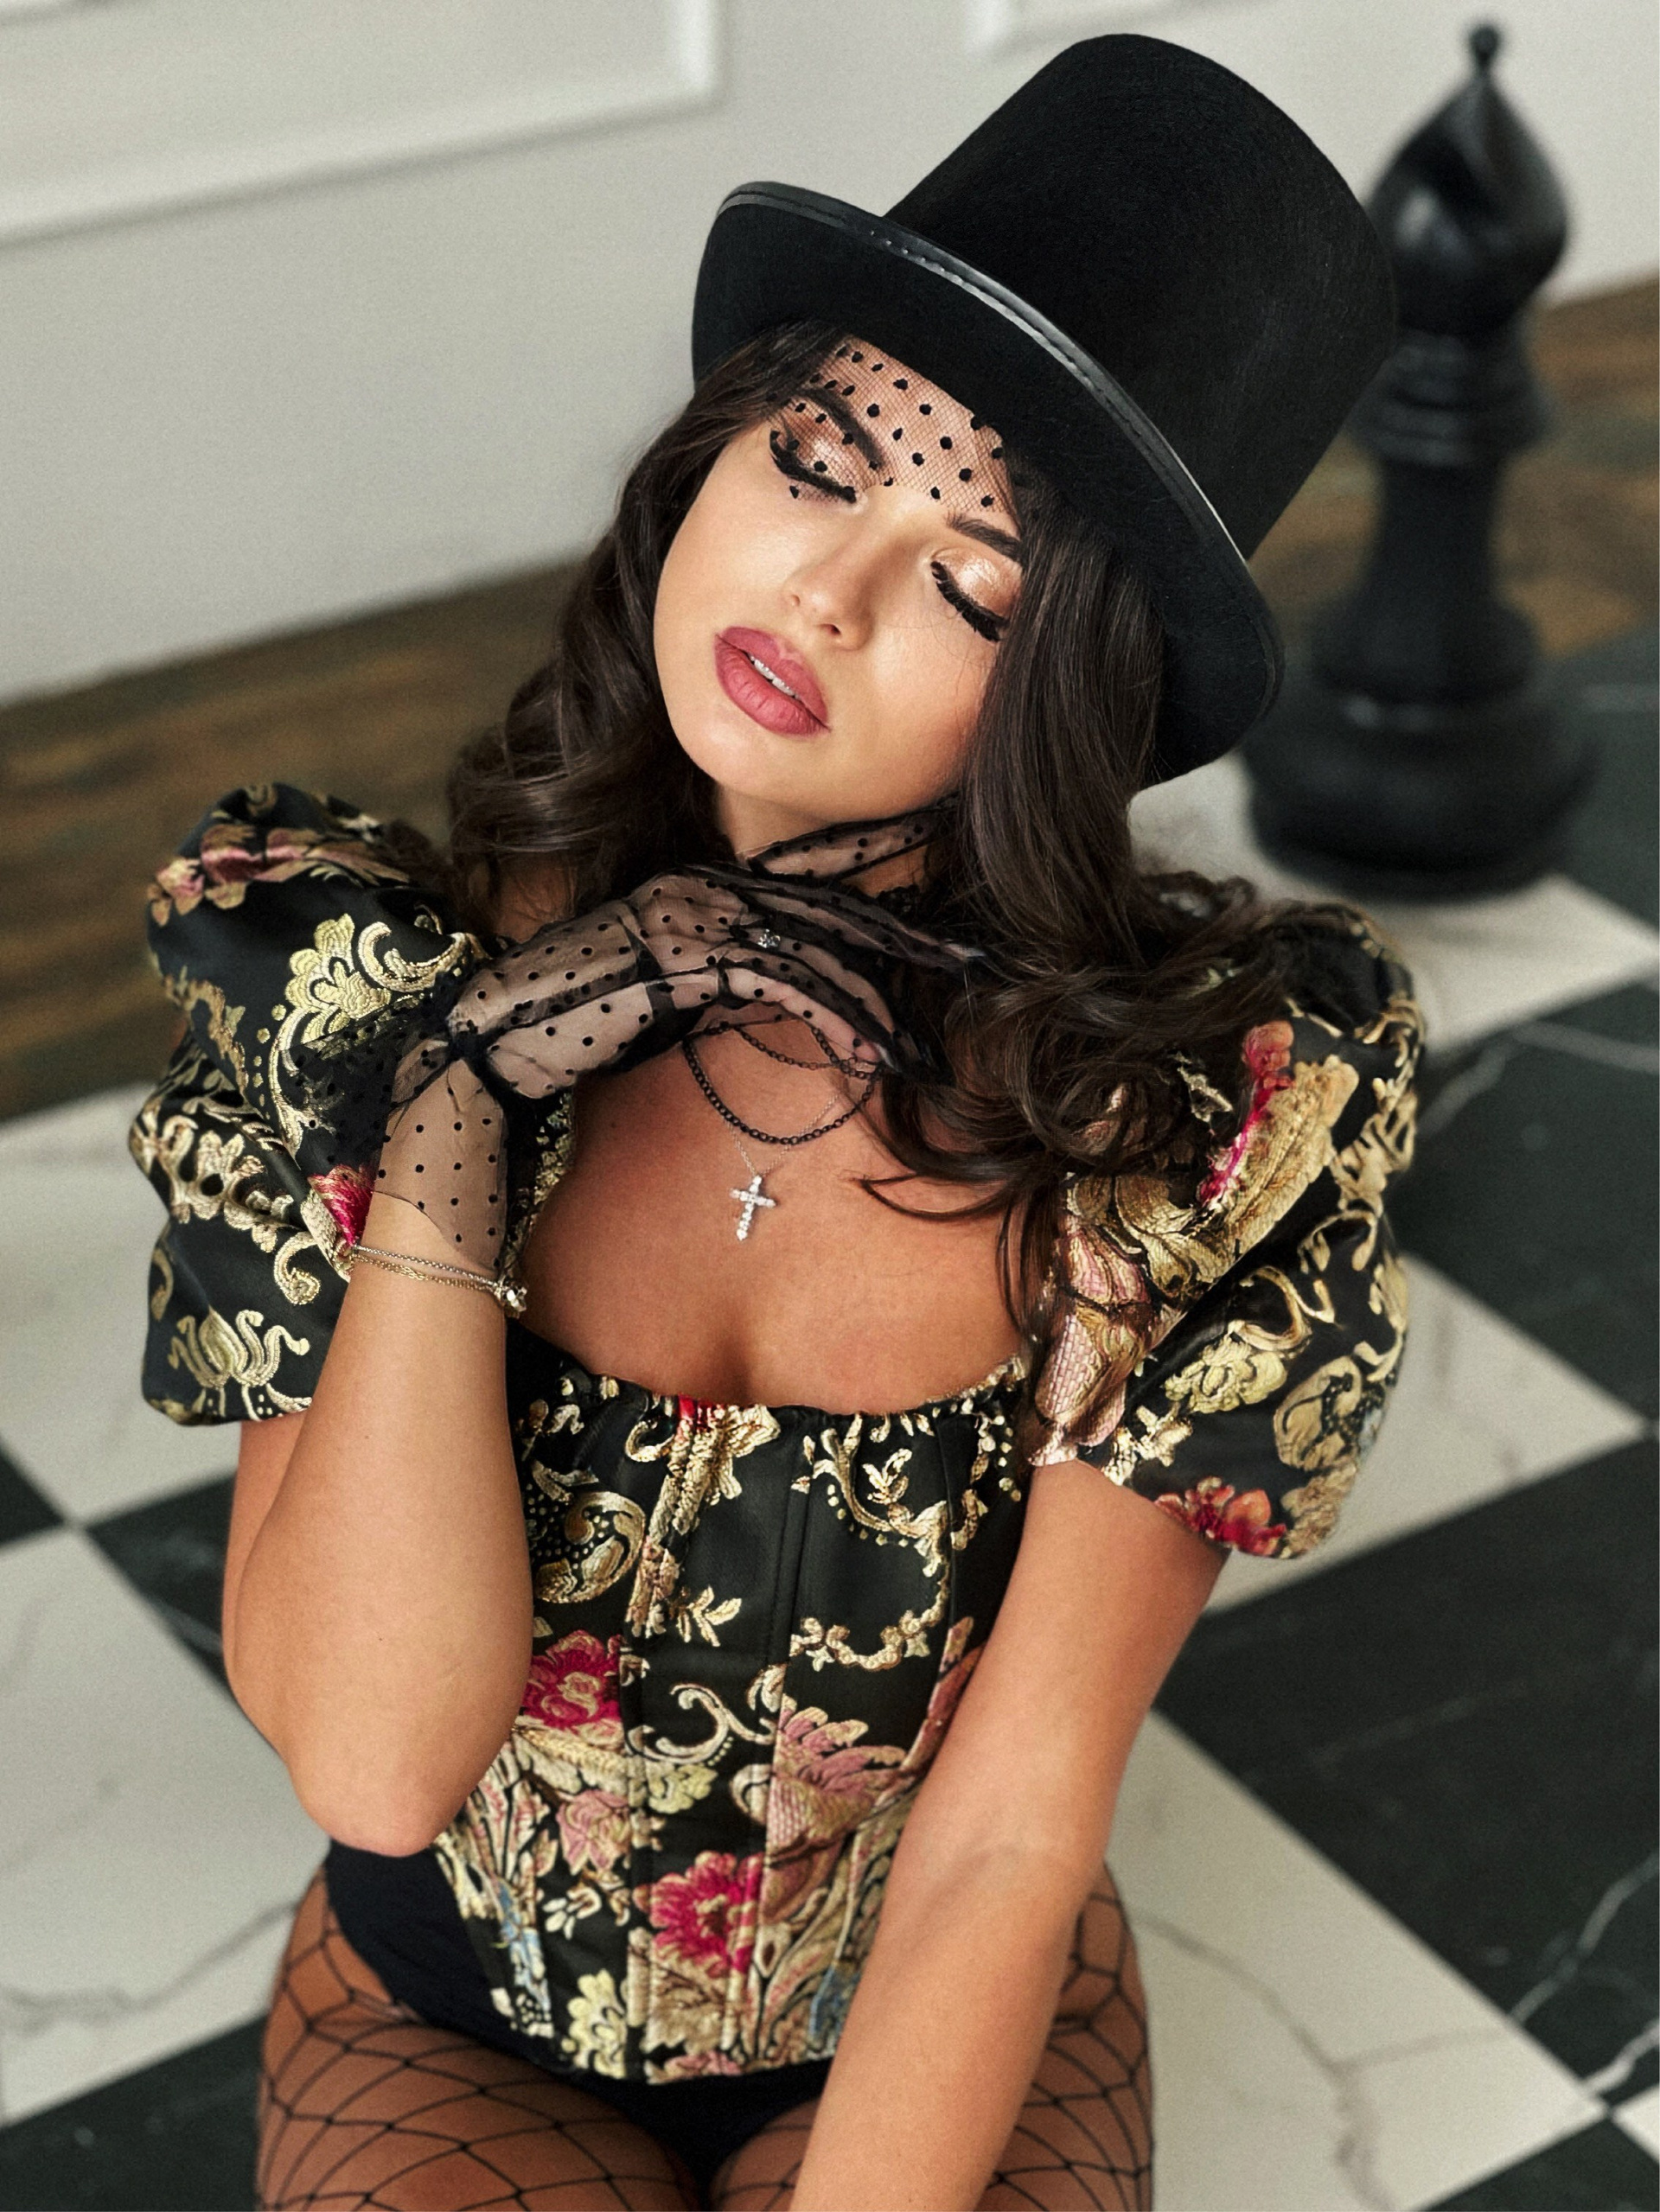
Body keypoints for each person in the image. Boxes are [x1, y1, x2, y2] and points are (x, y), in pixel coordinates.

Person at [130, 35, 1420, 2212]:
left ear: (1077, 689)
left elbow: (1011, 1830)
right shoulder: (367, 987)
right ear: (713, 453)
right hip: (450, 2016)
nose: (825, 589)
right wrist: (459, 1106)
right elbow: (372, 1757)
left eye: (973, 578)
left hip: (937, 2000)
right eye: (820, 459)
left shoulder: (1169, 1127)